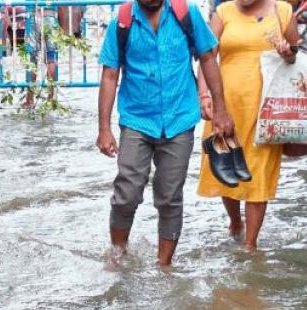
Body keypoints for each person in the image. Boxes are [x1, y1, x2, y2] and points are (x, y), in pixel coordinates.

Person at [96, 0, 234, 266]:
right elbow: (110, 74)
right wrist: (104, 129)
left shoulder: (186, 13)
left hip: (179, 117)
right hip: (137, 119)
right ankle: (118, 255)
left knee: (170, 196)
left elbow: (207, 57)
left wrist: (221, 110)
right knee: (127, 192)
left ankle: (164, 266)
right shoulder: (122, 19)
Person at [196, 0, 300, 251]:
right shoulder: (223, 13)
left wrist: (288, 53)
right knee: (225, 166)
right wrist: (205, 96)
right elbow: (207, 56)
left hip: (268, 108)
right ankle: (235, 223)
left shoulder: (283, 12)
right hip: (226, 106)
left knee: (260, 172)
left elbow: (295, 56)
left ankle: (250, 245)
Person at [24, 7, 60, 108]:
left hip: (34, 17)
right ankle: (51, 97)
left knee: (32, 59)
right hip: (51, 18)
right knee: (51, 58)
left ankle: (30, 99)